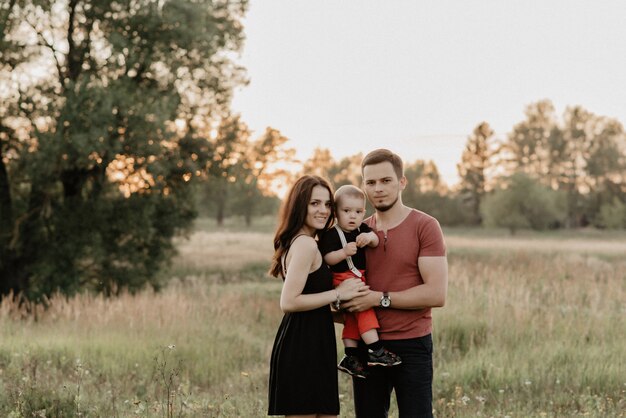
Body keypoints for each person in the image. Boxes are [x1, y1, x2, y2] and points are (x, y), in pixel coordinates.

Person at [342, 149, 448, 418]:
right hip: (368, 344)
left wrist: (378, 298)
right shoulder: (354, 233)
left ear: (402, 182)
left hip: (413, 344)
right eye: (371, 182)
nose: (378, 189)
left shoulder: (425, 226)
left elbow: (436, 294)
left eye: (386, 181)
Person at [267, 175, 370, 417]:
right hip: (303, 344)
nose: (323, 211)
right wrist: (338, 293)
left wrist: (346, 314)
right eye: (315, 203)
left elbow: (310, 299)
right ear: (299, 205)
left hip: (315, 338)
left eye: (327, 204)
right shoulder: (306, 245)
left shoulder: (305, 241)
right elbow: (289, 302)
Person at [318, 185, 402, 379]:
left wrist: (369, 237)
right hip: (343, 278)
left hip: (359, 276)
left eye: (357, 212)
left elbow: (376, 240)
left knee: (352, 318)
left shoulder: (361, 229)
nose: (352, 216)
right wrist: (343, 253)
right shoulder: (332, 234)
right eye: (346, 211)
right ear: (336, 212)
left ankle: (350, 356)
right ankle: (376, 350)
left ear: (364, 212)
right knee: (364, 309)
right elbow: (327, 259)